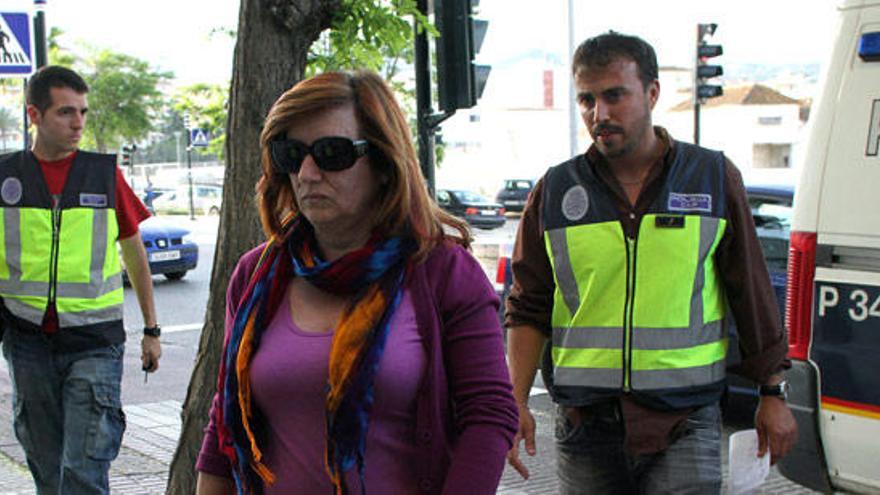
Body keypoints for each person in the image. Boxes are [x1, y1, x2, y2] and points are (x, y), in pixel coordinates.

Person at [195, 70, 518, 494]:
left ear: (385, 163)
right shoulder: (255, 275)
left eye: (332, 153)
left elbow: (489, 415)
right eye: (292, 154)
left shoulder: (442, 272)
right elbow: (226, 415)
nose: (307, 173)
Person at [505, 32, 798, 493]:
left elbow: (752, 293)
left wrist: (773, 392)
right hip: (585, 426)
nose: (599, 115)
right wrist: (516, 401)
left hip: (685, 422)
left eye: (614, 95)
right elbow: (527, 306)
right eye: (586, 99)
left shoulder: (711, 177)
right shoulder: (557, 191)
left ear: (653, 93)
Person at [0, 65, 161, 494]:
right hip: (27, 341)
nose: (78, 124)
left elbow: (135, 253)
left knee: (84, 471)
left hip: (95, 342)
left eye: (83, 113)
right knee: (46, 469)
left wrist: (151, 329)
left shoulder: (104, 175)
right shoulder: (5, 176)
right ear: (34, 115)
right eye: (66, 113)